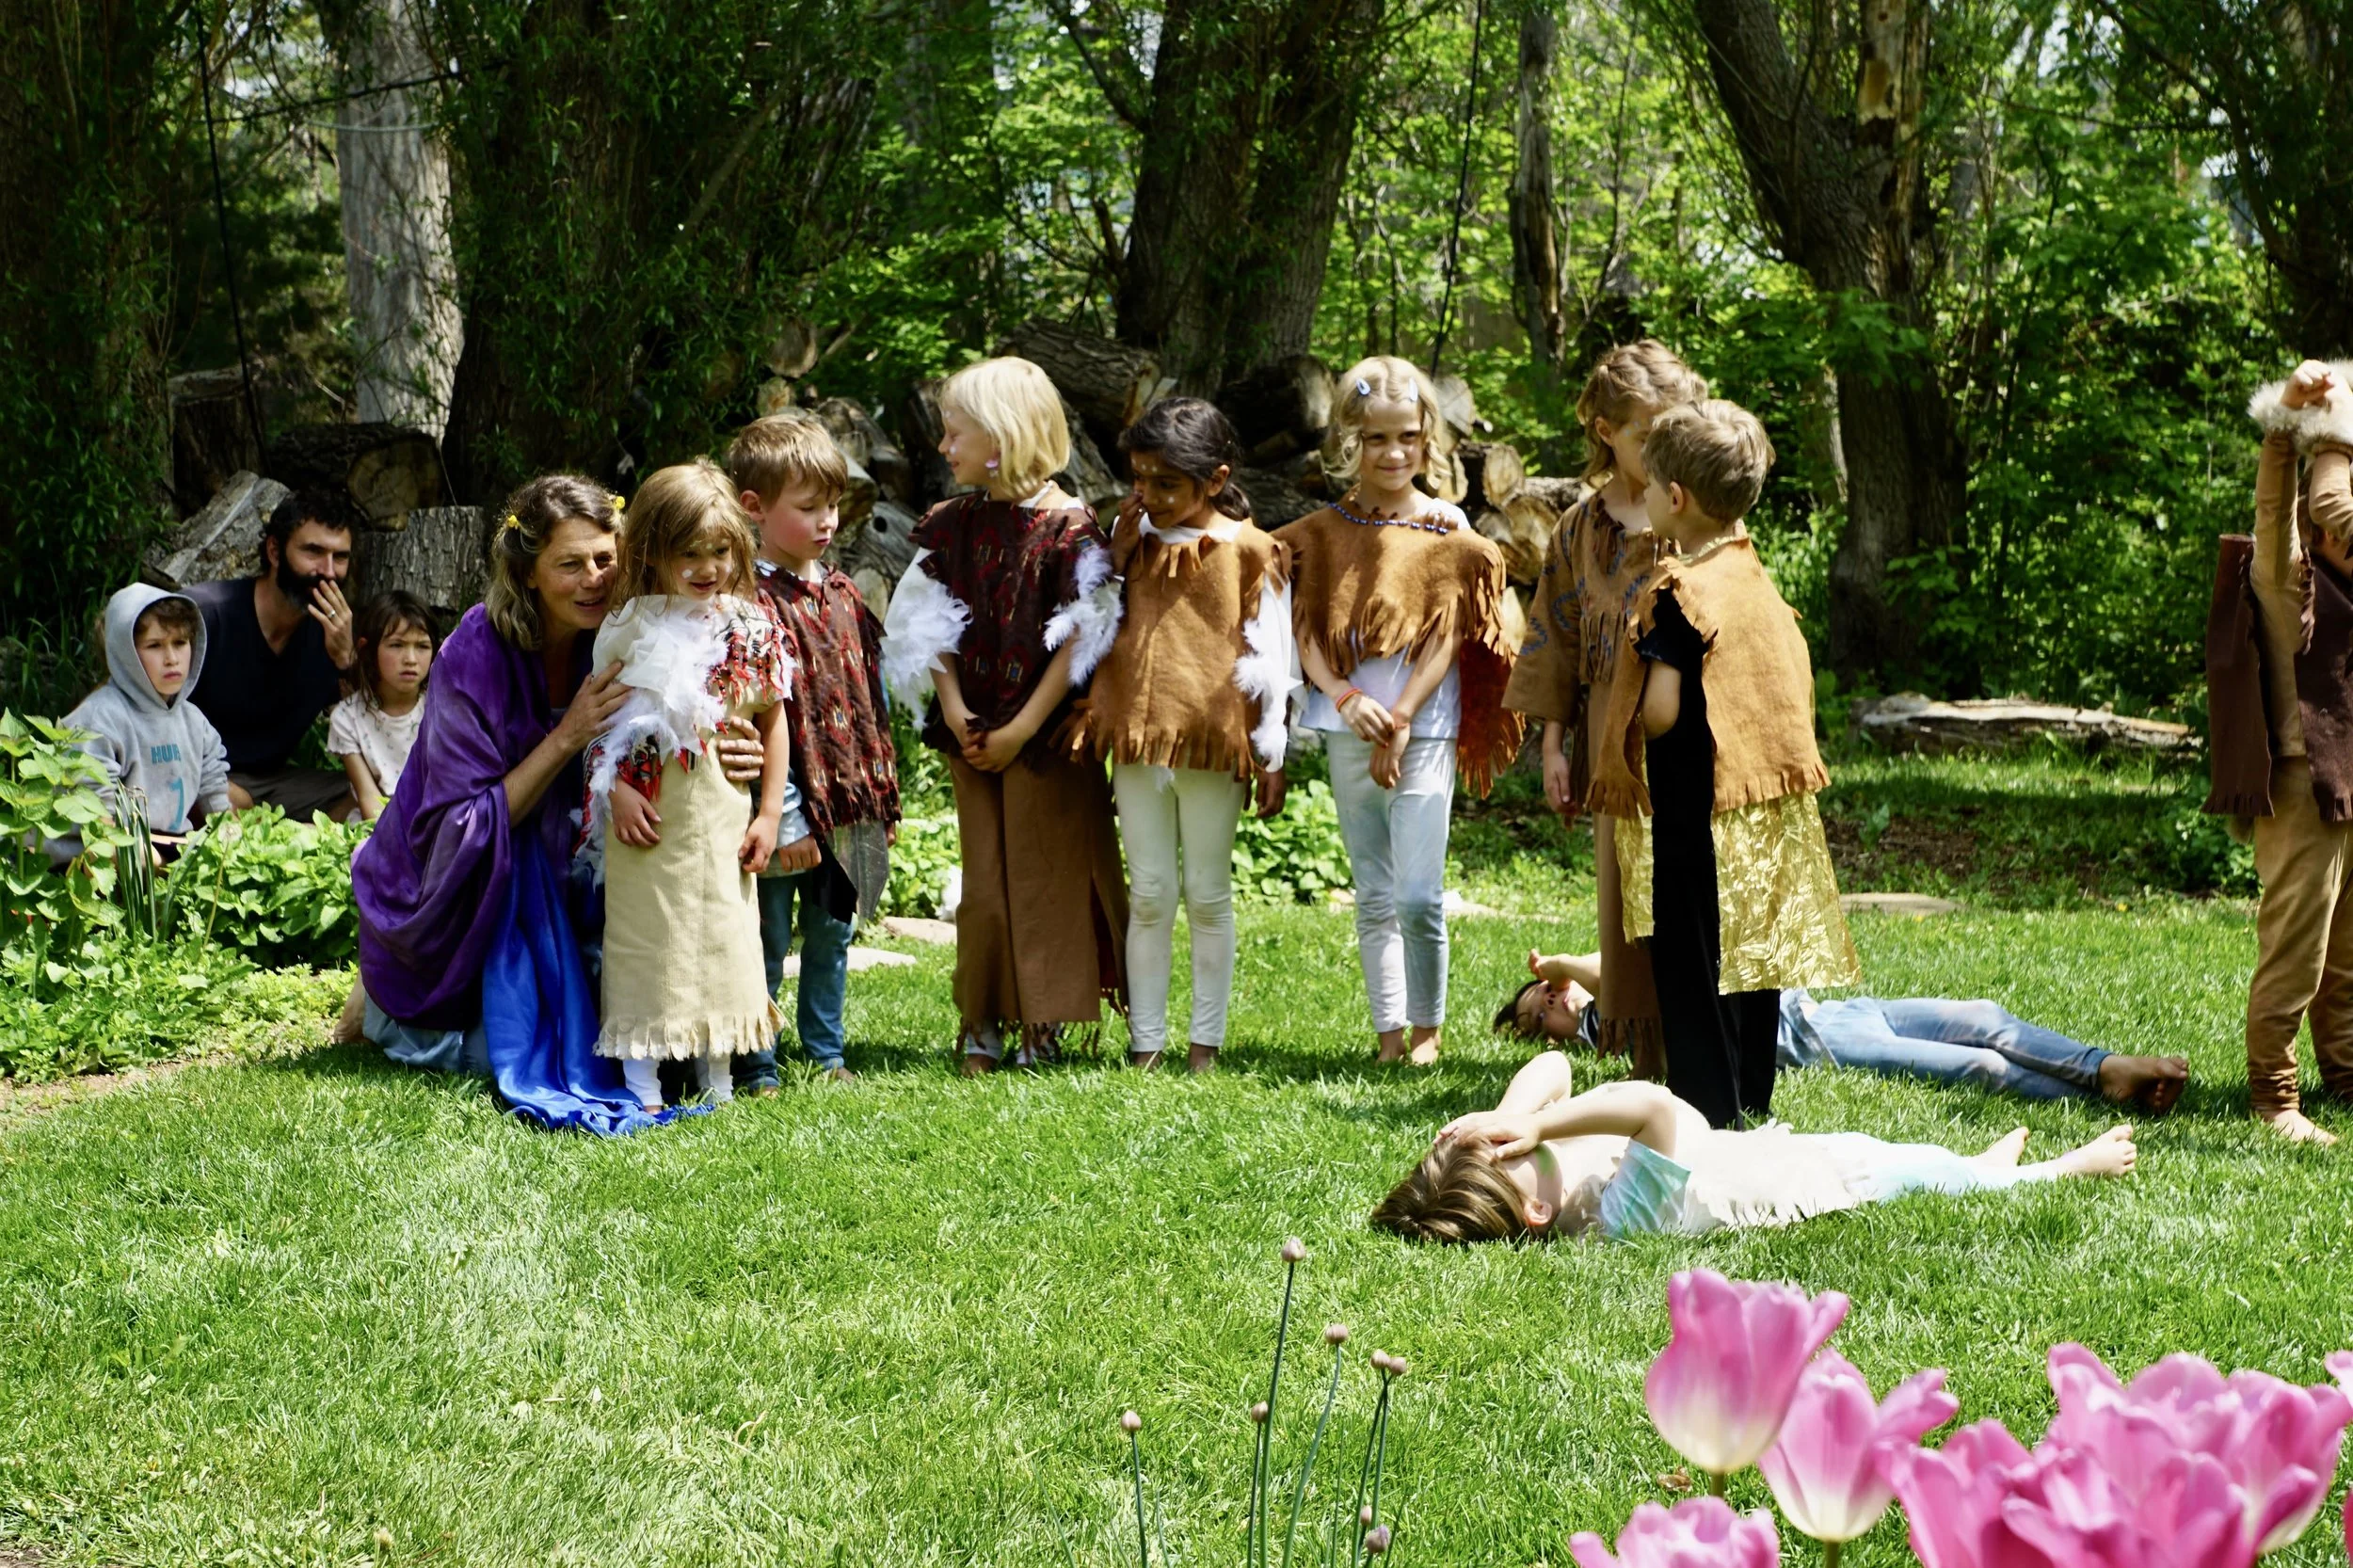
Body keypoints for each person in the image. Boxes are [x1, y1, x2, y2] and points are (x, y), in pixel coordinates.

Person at [350, 472, 766, 1133]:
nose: (594, 578)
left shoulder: (638, 631)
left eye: (606, 558)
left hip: (594, 870)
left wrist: (744, 753)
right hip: (479, 884)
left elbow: (704, 721)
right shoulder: (473, 652)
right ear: (529, 573)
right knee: (506, 1049)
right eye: (569, 564)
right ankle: (391, 1005)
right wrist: (567, 736)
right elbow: (461, 825)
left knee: (666, 1032)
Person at [1586, 400, 1858, 1128]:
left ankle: (1707, 1114)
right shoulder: (1753, 578)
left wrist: (1633, 694)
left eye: (1647, 489)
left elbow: (1665, 710)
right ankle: (1752, 1102)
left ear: (1674, 500)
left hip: (1691, 816)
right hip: (1755, 807)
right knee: (1752, 966)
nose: (1642, 499)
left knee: (1693, 966)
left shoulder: (1679, 594)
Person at [880, 356, 1128, 1075]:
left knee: (1042, 874)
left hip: (1045, 733)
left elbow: (1086, 635)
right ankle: (980, 1017)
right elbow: (930, 624)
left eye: (954, 432)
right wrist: (957, 712)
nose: (942, 447)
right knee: (985, 881)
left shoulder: (1072, 531)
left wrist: (1023, 728)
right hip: (973, 727)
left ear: (1003, 436)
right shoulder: (950, 525)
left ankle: (1042, 1021)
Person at [1287, 356, 1523, 1066]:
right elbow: (1305, 625)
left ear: (1428, 441)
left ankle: (1429, 1031)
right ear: (1346, 442)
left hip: (1424, 725)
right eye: (1375, 439)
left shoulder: (1445, 525)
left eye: (1408, 438)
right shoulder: (1322, 533)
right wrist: (1346, 695)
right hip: (1346, 724)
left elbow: (1448, 629)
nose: (1393, 454)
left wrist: (1402, 715)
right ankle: (1390, 1035)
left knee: (1419, 895)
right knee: (1374, 890)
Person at [1505, 342, 1709, 1082]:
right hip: (1606, 737)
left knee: (1682, 883)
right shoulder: (1578, 531)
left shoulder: (1697, 513)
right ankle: (1644, 1049)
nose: (1661, 447)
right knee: (1626, 896)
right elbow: (1552, 636)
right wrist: (1555, 747)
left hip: (1686, 729)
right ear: (1605, 431)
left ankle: (1698, 1035)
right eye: (1646, 433)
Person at [1369, 1048, 2138, 1243]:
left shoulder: (1554, 1173)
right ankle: (2064, 1167)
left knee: (1929, 1162)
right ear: (1538, 1210)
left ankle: (1977, 1165)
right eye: (1522, 1151)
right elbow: (1653, 1104)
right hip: (1822, 1178)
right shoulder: (1624, 1213)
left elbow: (1556, 1066)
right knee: (1926, 1174)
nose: (1532, 1137)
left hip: (1785, 1150)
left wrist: (1508, 1110)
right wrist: (1536, 1128)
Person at [1084, 397, 1297, 1074]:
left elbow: (1274, 654)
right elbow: (1089, 631)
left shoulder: (1252, 551)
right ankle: (1146, 1043)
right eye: (1141, 480)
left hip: (1212, 739)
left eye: (1167, 484)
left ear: (1215, 478)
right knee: (1148, 891)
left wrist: (1271, 752)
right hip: (1141, 739)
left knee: (1206, 891)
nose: (1149, 496)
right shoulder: (1130, 543)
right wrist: (1113, 561)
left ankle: (1204, 1046)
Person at [587, 460, 795, 1112]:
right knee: (649, 937)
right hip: (649, 813)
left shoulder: (748, 627)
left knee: (726, 934)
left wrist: (769, 814)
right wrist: (613, 789)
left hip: (722, 813)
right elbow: (599, 720)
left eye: (720, 550)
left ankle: (719, 1072)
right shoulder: (630, 625)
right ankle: (643, 1079)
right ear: (652, 551)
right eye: (688, 553)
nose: (706, 567)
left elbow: (774, 717)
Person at [726, 412, 903, 1091]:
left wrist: (879, 789)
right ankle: (757, 1060)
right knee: (767, 939)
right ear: (754, 508)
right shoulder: (749, 604)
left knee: (833, 935)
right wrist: (787, 814)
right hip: (786, 811)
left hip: (851, 801)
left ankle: (827, 1053)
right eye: (809, 507)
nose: (827, 520)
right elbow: (760, 717)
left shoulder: (843, 592)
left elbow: (866, 703)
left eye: (833, 504)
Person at [2208, 358, 2353, 1144]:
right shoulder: (2285, 581)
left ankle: (2348, 1073)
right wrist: (2294, 429)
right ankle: (2274, 1098)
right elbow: (2277, 508)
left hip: (2352, 786)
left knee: (2350, 956)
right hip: (2303, 790)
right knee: (2297, 951)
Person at [1500, 950, 2190, 1112]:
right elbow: (1617, 979)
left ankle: (2103, 1066)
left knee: (1983, 1014)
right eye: (1543, 1012)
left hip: (1832, 1012)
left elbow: (1621, 963)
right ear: (1553, 1034)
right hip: (1818, 1045)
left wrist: (1564, 968)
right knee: (1977, 1068)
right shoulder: (1614, 1032)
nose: (1555, 999)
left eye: (1545, 993)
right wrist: (1562, 968)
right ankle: (2101, 1086)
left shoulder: (1609, 977)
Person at [185, 488, 363, 822]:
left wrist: (346, 660)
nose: (328, 571)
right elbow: (130, 701)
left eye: (340, 557)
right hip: (192, 777)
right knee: (228, 802)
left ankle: (301, 857)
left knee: (372, 798)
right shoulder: (208, 615)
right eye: (313, 551)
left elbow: (378, 733)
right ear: (275, 551)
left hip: (274, 784)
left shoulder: (334, 631)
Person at [61, 584, 240, 855]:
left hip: (171, 845)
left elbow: (215, 794)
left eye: (180, 643)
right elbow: (98, 820)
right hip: (103, 853)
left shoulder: (194, 721)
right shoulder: (99, 718)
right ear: (126, 654)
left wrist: (234, 845)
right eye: (155, 646)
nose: (171, 659)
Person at [328, 590, 436, 822]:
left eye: (422, 646)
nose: (411, 659)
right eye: (396, 645)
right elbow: (368, 798)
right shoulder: (348, 718)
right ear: (368, 649)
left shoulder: (442, 708)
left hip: (435, 821)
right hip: (377, 826)